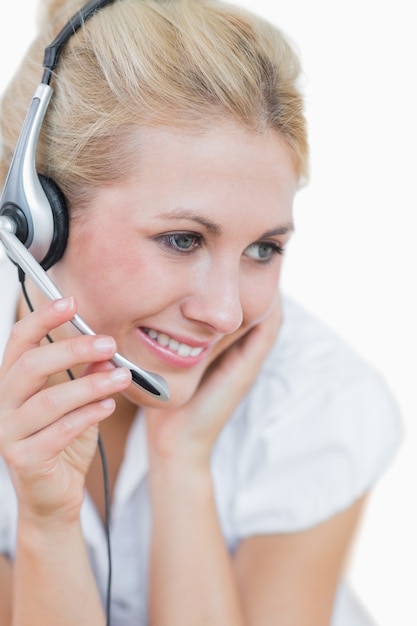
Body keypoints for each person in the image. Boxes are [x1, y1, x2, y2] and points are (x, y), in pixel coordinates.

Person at [0, 0, 403, 625]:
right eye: (183, 239)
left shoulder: (318, 399)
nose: (225, 312)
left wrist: (181, 461)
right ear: (37, 221)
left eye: (263, 249)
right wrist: (47, 524)